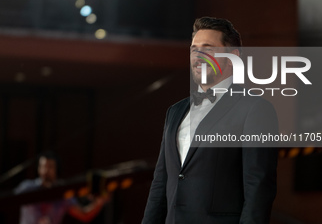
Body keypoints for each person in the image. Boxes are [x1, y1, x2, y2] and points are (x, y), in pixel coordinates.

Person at [142, 17, 279, 224]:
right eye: (194, 48)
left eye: (208, 48)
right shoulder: (175, 112)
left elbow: (258, 189)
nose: (198, 55)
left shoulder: (255, 109)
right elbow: (160, 184)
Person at [15, 152, 108, 224]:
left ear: (57, 169)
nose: (45, 171)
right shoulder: (27, 187)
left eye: (50, 167)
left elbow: (84, 215)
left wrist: (99, 202)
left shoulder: (62, 193)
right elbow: (9, 203)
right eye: (43, 166)